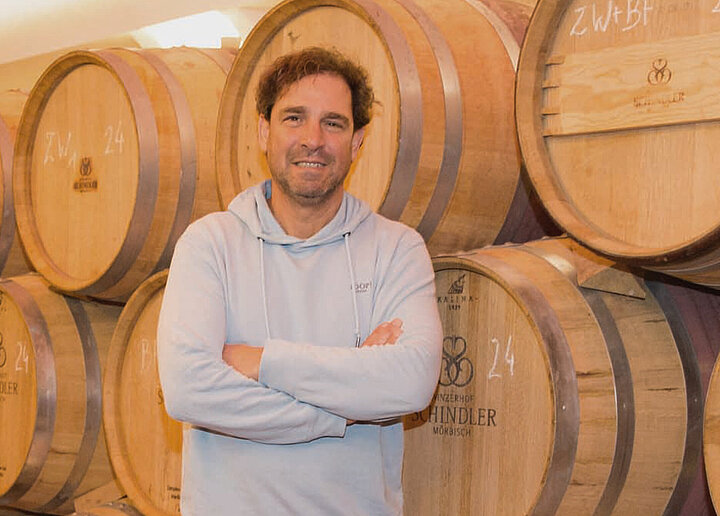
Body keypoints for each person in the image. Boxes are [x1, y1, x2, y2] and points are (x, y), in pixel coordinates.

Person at [157, 46, 442, 516]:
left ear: (357, 141)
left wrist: (261, 361)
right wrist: (343, 409)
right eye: (294, 118)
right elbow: (188, 389)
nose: (313, 139)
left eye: (334, 123)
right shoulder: (209, 244)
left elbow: (410, 384)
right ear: (264, 131)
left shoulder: (397, 249)